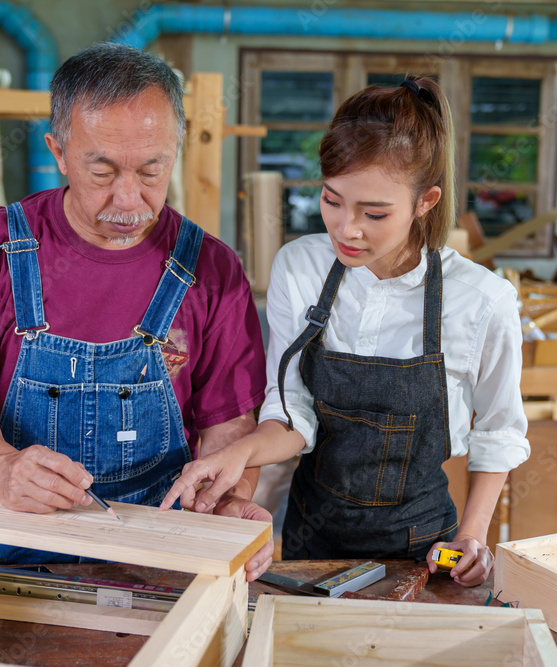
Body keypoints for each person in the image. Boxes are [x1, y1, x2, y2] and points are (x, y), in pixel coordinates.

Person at [0, 43, 273, 580]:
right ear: (58, 153)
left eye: (152, 171)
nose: (130, 201)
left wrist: (222, 501)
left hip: (162, 542)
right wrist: (1, 464)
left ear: (174, 151)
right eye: (103, 172)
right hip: (19, 534)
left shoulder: (213, 268)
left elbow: (228, 420)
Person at [162, 77, 529, 587]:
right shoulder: (299, 267)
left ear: (426, 201)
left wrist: (472, 536)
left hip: (424, 548)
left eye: (374, 213)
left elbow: (499, 430)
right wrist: (238, 452)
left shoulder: (483, 300)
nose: (346, 228)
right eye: (332, 201)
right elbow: (291, 412)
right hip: (313, 538)